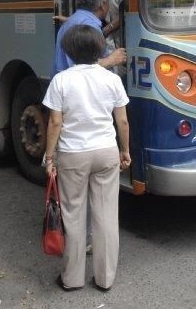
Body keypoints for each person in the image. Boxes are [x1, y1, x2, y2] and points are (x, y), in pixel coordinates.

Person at [43, 24, 131, 292]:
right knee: (106, 216)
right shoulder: (112, 79)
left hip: (73, 155)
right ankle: (105, 278)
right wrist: (124, 150)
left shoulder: (61, 80)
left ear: (69, 51)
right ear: (100, 49)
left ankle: (72, 279)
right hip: (106, 152)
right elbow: (123, 121)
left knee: (73, 215)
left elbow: (55, 122)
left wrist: (49, 157)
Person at [53, 0, 127, 75]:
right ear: (102, 5)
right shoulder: (89, 27)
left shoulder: (72, 20)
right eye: (108, 2)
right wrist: (112, 59)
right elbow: (84, 69)